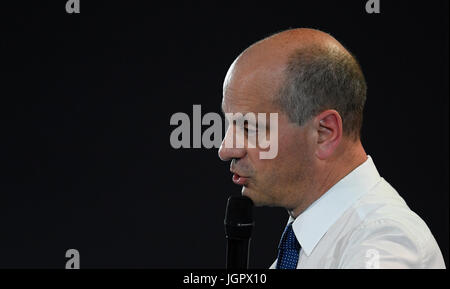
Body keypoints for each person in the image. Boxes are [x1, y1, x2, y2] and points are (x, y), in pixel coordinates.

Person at [217, 28, 445, 269]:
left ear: (324, 133)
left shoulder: (383, 244)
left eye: (249, 127)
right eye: (229, 124)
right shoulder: (308, 245)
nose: (225, 149)